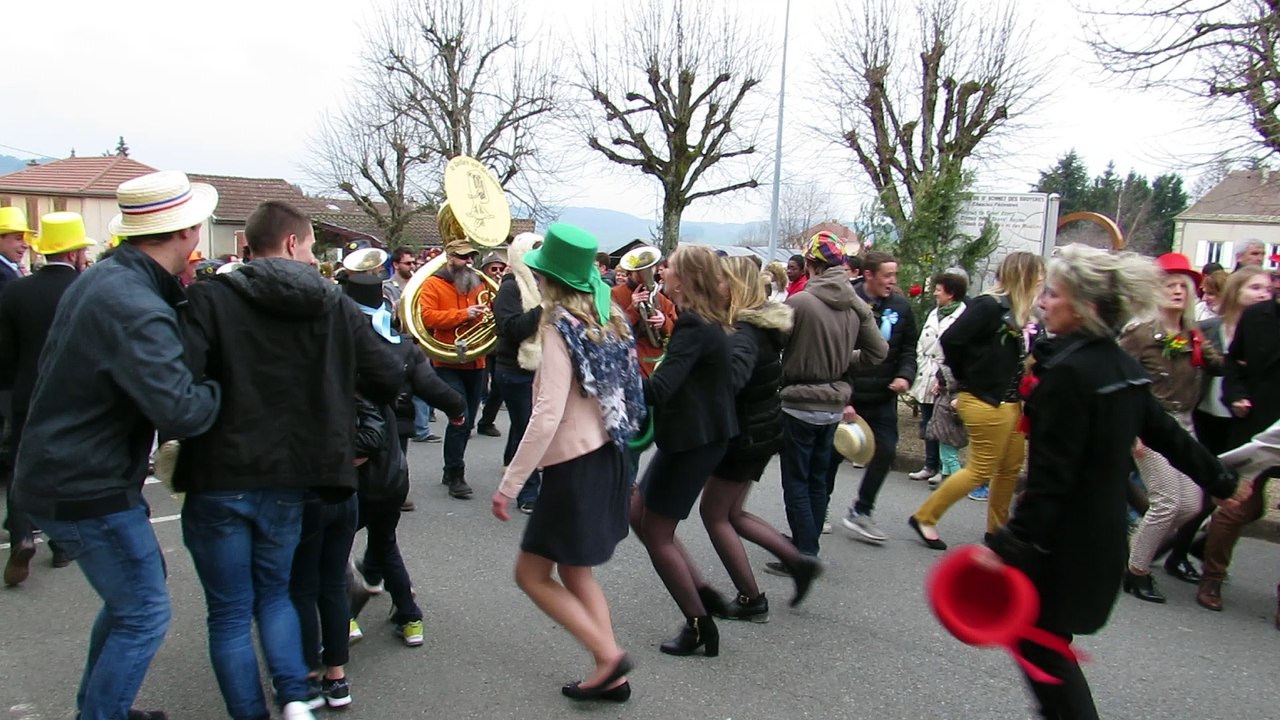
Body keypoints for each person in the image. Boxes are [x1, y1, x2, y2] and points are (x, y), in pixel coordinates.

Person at [979, 243, 1237, 720]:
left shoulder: (1071, 374)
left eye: (1054, 294)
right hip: (1101, 542)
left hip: (1061, 546)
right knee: (1047, 642)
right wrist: (1219, 479)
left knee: (1040, 643)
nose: (1043, 302)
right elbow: (1166, 434)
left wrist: (1010, 546)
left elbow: (1051, 480)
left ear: (1086, 308)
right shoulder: (1121, 367)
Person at [175, 200, 401, 720]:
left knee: (230, 613)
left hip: (218, 472)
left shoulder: (210, 298)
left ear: (248, 248)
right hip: (291, 475)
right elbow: (387, 376)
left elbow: (182, 381)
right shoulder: (335, 303)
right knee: (275, 594)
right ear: (297, 243)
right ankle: (296, 698)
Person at [10, 171, 223, 720]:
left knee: (129, 602)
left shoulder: (109, 279)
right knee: (144, 613)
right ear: (186, 231)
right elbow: (182, 411)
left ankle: (101, 708)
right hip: (86, 482)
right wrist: (225, 383)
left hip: (68, 471)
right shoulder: (132, 302)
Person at [489, 223, 642, 702]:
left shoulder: (557, 327)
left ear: (548, 279)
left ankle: (609, 656)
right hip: (611, 457)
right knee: (577, 571)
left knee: (531, 575)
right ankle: (609, 672)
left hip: (575, 467)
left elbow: (547, 413)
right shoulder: (611, 317)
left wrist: (510, 483)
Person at [340, 273, 464, 650]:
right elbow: (433, 388)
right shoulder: (403, 349)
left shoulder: (337, 342)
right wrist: (458, 410)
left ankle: (344, 619)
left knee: (334, 548)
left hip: (349, 468)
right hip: (392, 470)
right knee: (385, 539)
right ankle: (410, 617)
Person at [699, 256, 822, 621]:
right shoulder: (760, 326)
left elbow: (728, 384)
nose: (713, 287)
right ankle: (797, 561)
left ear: (734, 286)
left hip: (744, 435)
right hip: (762, 430)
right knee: (732, 513)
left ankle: (752, 598)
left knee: (714, 514)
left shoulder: (743, 333)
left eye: (719, 281)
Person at [631, 244, 737, 657]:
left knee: (657, 533)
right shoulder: (703, 320)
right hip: (694, 436)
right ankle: (703, 593)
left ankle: (699, 625)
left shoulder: (695, 324)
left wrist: (611, 368)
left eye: (669, 267)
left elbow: (658, 390)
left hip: (694, 440)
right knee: (637, 511)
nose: (662, 271)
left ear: (686, 278)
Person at [909, 252, 1044, 549]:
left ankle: (997, 529)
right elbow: (951, 340)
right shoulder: (988, 305)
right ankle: (925, 516)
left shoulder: (1025, 312)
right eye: (1038, 275)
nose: (1042, 281)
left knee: (1010, 467)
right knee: (981, 469)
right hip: (984, 399)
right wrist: (967, 379)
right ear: (1024, 276)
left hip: (1012, 402)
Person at [774, 232, 886, 569]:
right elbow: (878, 352)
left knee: (796, 480)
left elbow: (772, 347)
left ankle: (804, 552)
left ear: (811, 264)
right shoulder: (855, 305)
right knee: (817, 478)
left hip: (798, 402)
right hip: (833, 405)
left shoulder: (800, 303)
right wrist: (839, 363)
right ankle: (808, 544)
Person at [1118, 253, 1223, 604]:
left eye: (1184, 286)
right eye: (1170, 285)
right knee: (1167, 501)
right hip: (1152, 424)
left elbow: (1218, 365)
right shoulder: (1140, 333)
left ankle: (1134, 553)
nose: (1177, 291)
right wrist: (1131, 431)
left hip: (1185, 424)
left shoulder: (1193, 333)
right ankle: (1135, 571)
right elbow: (1120, 380)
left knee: (1191, 504)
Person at [0, 212, 95, 585]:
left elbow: (4, 352)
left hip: (27, 390)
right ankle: (62, 542)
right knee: (67, 468)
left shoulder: (16, 290)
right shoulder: (88, 289)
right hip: (76, 393)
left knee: (23, 463)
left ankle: (22, 533)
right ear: (74, 254)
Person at [1162, 266, 1274, 582]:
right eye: (1255, 287)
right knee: (1207, 491)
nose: (1264, 293)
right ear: (1236, 291)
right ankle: (1180, 554)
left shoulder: (1267, 329)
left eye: (1266, 288)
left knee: (1238, 499)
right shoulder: (1210, 328)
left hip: (1241, 423)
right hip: (1206, 415)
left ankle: (1188, 545)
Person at [1197, 267, 1280, 613]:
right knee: (1238, 505)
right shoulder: (1257, 316)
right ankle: (1212, 578)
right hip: (1255, 423)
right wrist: (1237, 395)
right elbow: (1234, 365)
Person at [840, 251, 918, 544]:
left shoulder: (900, 305)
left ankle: (862, 510)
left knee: (885, 450)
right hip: (851, 397)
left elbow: (908, 347)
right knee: (831, 458)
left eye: (895, 275)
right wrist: (844, 397)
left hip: (884, 396)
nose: (893, 281)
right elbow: (837, 354)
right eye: (887, 275)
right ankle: (816, 510)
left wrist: (905, 375)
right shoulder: (848, 303)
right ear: (869, 274)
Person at [416, 235, 492, 498]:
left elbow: (489, 313)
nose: (469, 262)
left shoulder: (477, 282)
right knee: (460, 418)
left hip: (476, 360)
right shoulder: (433, 284)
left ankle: (451, 470)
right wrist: (463, 315)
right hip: (446, 360)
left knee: (467, 421)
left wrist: (485, 314)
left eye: (471, 257)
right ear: (450, 258)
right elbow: (426, 317)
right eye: (463, 257)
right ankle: (456, 473)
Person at [492, 234, 545, 513]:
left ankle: (511, 467)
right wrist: (544, 308)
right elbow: (511, 329)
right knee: (529, 429)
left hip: (541, 369)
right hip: (514, 370)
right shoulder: (510, 288)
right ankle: (528, 493)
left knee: (524, 426)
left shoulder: (544, 284)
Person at [907, 272, 969, 487]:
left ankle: (944, 468)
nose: (935, 293)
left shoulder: (963, 316)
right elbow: (921, 343)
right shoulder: (934, 313)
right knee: (927, 422)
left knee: (943, 425)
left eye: (939, 290)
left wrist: (944, 379)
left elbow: (959, 351)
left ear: (950, 294)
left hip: (945, 377)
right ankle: (929, 464)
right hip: (926, 372)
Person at [475, 252, 509, 437]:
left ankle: (487, 421)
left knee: (499, 387)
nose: (497, 272)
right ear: (485, 270)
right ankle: (467, 421)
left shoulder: (507, 288)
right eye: (493, 269)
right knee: (478, 384)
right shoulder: (477, 287)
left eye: (500, 269)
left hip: (499, 345)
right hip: (481, 344)